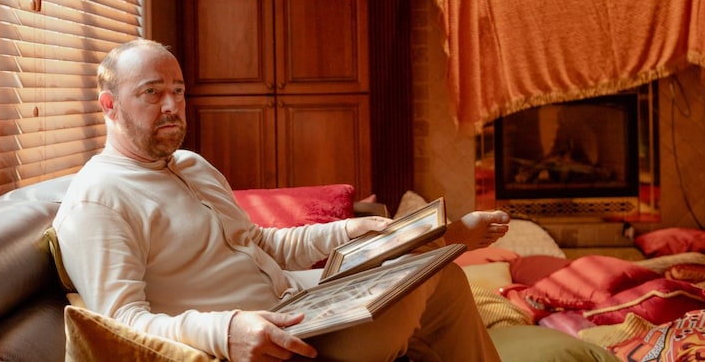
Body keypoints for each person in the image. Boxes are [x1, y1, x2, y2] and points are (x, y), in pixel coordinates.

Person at [53, 39, 511, 362]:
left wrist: (347, 230)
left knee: (443, 279)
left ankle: (426, 244)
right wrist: (226, 332)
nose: (171, 105)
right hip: (279, 337)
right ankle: (437, 241)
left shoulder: (190, 166)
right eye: (151, 93)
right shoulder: (99, 201)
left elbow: (259, 243)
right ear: (109, 105)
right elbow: (120, 322)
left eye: (178, 90)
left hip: (302, 300)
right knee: (429, 274)